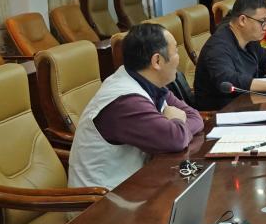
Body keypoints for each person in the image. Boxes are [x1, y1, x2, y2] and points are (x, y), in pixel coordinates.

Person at [68, 23, 204, 190]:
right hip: (103, 197)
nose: (179, 57)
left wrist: (177, 128)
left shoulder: (149, 83)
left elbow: (195, 117)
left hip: (136, 183)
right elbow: (175, 140)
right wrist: (177, 122)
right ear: (157, 61)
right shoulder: (125, 102)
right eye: (175, 51)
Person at [194, 0, 266, 110]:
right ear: (243, 20)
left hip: (247, 104)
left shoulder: (250, 40)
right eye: (262, 22)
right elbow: (229, 81)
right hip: (221, 112)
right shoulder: (218, 47)